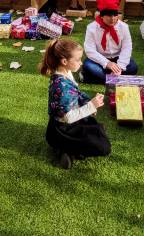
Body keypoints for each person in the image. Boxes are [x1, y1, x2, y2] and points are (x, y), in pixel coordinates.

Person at [40, 38, 110, 170]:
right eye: (77, 60)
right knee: (103, 147)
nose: (81, 63)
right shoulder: (60, 86)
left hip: (69, 123)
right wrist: (91, 106)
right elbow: (67, 117)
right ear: (64, 61)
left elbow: (74, 97)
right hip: (62, 129)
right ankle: (66, 150)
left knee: (99, 129)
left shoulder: (66, 72)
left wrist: (87, 102)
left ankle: (67, 149)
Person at [81, 0, 137, 83]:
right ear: (101, 16)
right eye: (109, 15)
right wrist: (107, 63)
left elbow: (127, 48)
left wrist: (120, 67)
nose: (113, 18)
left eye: (115, 15)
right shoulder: (91, 28)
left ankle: (90, 78)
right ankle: (121, 79)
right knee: (88, 66)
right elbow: (90, 50)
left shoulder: (124, 27)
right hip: (99, 59)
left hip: (117, 58)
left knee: (133, 68)